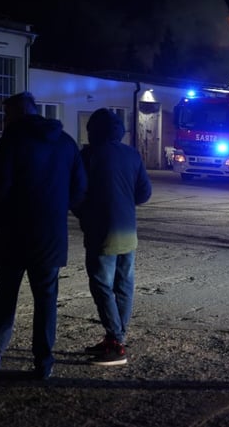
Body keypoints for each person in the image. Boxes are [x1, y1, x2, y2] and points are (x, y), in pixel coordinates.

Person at [0, 91, 87, 380]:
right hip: (50, 236)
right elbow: (79, 188)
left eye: (6, 115)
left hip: (12, 234)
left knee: (5, 293)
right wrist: (57, 211)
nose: (4, 121)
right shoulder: (65, 143)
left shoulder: (10, 143)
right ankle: (44, 360)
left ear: (18, 114)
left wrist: (0, 221)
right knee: (46, 298)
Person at [76, 108, 152, 366]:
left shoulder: (88, 155)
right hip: (128, 231)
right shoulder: (131, 154)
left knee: (101, 285)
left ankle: (116, 342)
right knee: (123, 284)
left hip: (101, 231)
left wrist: (84, 214)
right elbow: (144, 193)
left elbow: (76, 192)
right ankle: (115, 338)